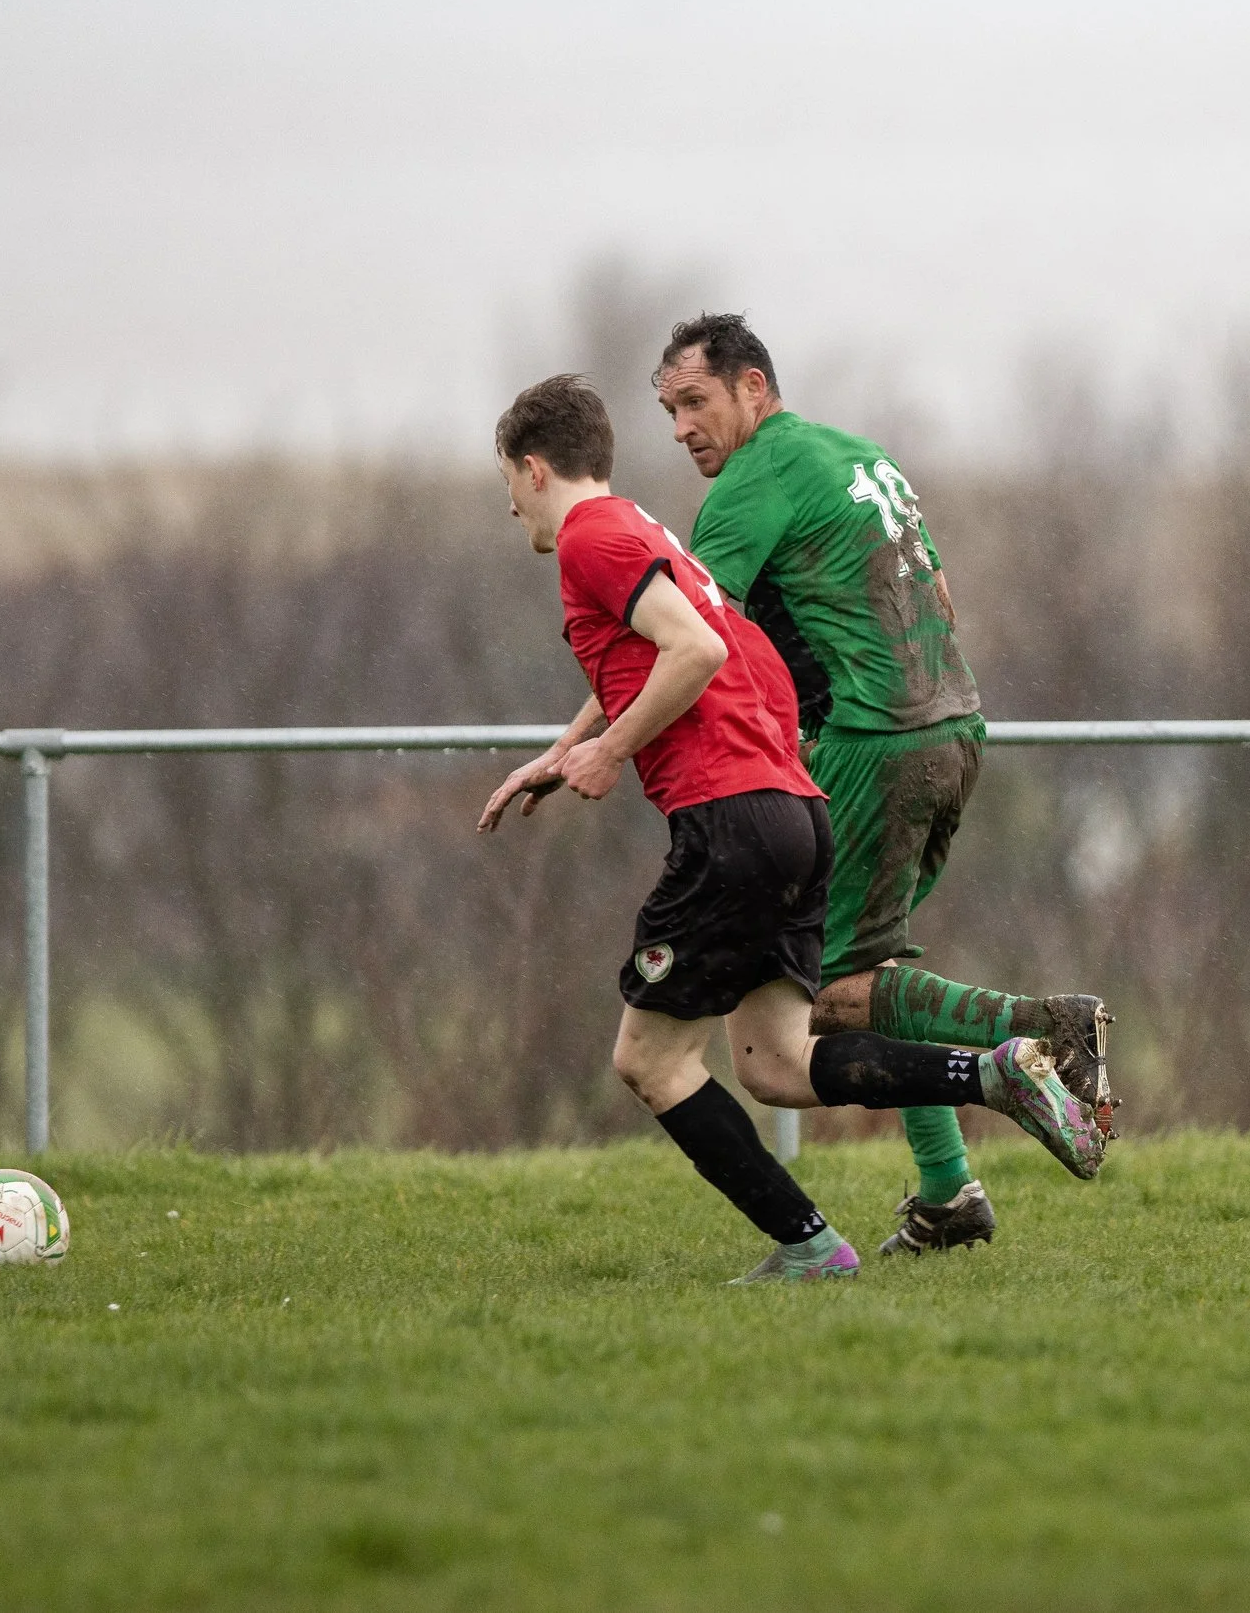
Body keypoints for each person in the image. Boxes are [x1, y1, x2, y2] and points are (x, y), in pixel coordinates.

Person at [475, 375, 1107, 1284]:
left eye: (506, 482)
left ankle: (812, 1245)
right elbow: (754, 661)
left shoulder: (591, 540)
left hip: (730, 823)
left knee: (648, 1059)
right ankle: (998, 1075)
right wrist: (572, 754)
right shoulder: (658, 540)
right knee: (776, 1063)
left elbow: (701, 652)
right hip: (791, 813)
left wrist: (612, 752)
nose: (508, 507)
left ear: (534, 469)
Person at [655, 314, 1115, 1258]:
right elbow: (936, 595)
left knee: (807, 996)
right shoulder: (858, 455)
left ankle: (1041, 1030)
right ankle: (948, 1194)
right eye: (668, 410)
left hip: (873, 744)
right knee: (873, 976)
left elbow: (698, 636)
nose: (681, 427)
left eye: (695, 401)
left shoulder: (751, 485)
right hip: (953, 728)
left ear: (754, 389)